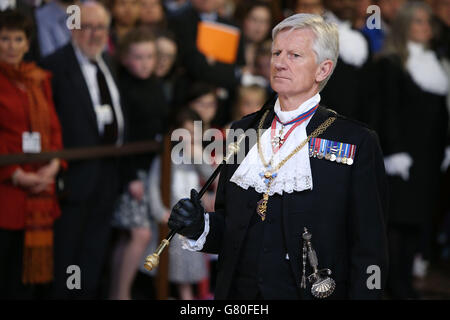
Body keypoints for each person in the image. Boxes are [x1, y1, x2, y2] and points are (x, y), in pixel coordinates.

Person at [168, 13, 389, 300]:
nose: (280, 62)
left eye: (294, 55)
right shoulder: (242, 130)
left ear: (323, 69)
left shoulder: (355, 141)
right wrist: (200, 225)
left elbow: (369, 247)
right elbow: (231, 228)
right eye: (276, 52)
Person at [41, 1, 126, 299]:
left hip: (107, 176)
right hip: (73, 178)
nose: (93, 34)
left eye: (100, 27)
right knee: (68, 253)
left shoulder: (110, 64)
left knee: (94, 249)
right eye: (85, 26)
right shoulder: (53, 66)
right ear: (73, 28)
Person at [374, 1, 448, 299]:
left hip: (429, 157)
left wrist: (446, 144)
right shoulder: (390, 63)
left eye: (428, 22)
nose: (425, 27)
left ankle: (405, 279)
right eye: (418, 21)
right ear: (404, 25)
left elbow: (441, 113)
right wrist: (393, 151)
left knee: (418, 219)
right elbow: (387, 110)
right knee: (396, 220)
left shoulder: (437, 63)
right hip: (402, 156)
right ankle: (391, 283)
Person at [0, 9, 65, 299]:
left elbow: (53, 126)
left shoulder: (39, 78)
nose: (11, 45)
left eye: (17, 39)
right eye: (4, 39)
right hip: (7, 191)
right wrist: (15, 174)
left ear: (28, 43)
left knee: (28, 281)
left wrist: (54, 164)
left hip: (41, 188)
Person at [109, 26, 169, 300]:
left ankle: (118, 292)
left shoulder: (156, 85)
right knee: (140, 234)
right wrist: (131, 175)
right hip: (128, 171)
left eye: (149, 56)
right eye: (138, 57)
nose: (144, 63)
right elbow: (123, 135)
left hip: (152, 169)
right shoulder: (121, 89)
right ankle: (121, 294)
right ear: (124, 58)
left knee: (130, 236)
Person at [148, 108, 213, 300]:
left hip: (190, 220)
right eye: (187, 134)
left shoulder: (195, 156)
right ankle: (185, 296)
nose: (191, 139)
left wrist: (198, 156)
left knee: (190, 246)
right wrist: (160, 211)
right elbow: (153, 185)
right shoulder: (166, 158)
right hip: (171, 218)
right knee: (175, 251)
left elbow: (211, 177)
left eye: (195, 134)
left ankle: (188, 295)